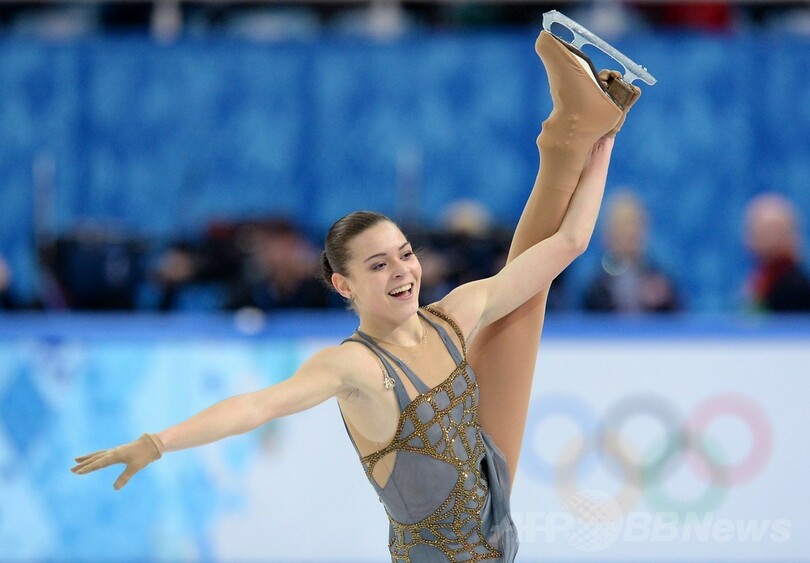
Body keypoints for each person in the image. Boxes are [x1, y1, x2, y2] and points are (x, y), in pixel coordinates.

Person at [72, 29, 641, 561]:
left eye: (405, 254)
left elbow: (569, 243)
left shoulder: (456, 313)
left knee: (525, 299)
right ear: (343, 284)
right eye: (378, 264)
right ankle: (569, 133)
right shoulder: (356, 367)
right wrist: (157, 442)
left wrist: (606, 141)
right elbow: (256, 406)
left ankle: (571, 131)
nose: (402, 271)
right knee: (521, 304)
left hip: (495, 521)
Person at [583, 190, 679, 313]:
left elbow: (678, 318)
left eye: (635, 223)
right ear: (606, 233)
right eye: (623, 224)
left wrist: (663, 301)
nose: (630, 231)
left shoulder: (661, 278)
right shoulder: (594, 284)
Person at [743, 193, 810, 312]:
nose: (769, 238)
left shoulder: (797, 288)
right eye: (761, 230)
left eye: (774, 230)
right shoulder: (762, 280)